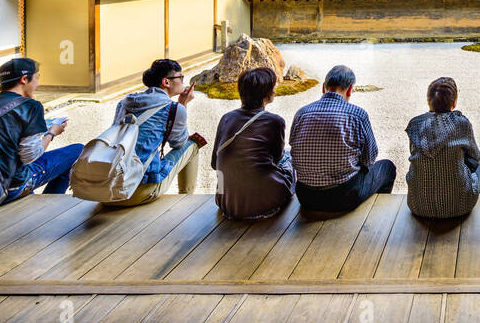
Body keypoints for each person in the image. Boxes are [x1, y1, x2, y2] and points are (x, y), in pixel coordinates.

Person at [0, 57, 82, 202]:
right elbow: (30, 156)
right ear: (25, 79)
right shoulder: (30, 106)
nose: (37, 84)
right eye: (37, 78)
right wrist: (52, 133)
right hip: (9, 187)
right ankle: (46, 204)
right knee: (78, 150)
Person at [290, 64, 395, 214]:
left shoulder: (302, 113)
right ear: (350, 89)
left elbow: (294, 150)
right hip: (343, 198)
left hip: (305, 197)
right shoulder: (358, 115)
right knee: (387, 167)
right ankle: (374, 216)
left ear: (323, 88)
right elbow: (370, 159)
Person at [103, 58, 205, 207]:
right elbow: (179, 143)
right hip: (134, 193)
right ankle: (187, 202)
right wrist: (182, 105)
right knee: (193, 144)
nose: (183, 81)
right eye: (180, 77)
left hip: (105, 190)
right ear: (166, 82)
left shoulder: (124, 102)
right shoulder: (173, 108)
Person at [211, 67, 294, 220]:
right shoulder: (274, 121)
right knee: (291, 157)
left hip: (227, 203)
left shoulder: (226, 118)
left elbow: (215, 163)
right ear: (265, 93)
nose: (275, 87)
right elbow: (277, 158)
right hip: (263, 204)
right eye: (273, 85)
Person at [405, 77, 480, 219]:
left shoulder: (415, 124)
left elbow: (413, 152)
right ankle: (472, 196)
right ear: (454, 104)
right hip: (460, 207)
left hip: (418, 205)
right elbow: (475, 156)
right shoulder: (461, 123)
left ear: (429, 102)